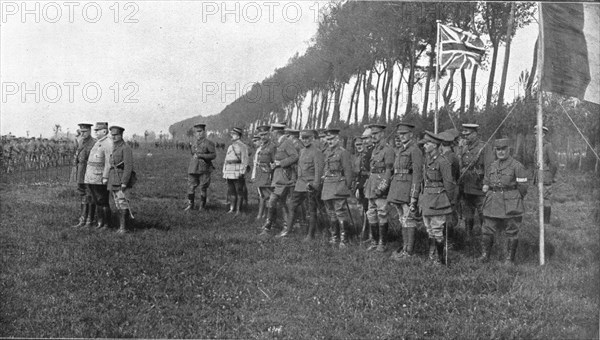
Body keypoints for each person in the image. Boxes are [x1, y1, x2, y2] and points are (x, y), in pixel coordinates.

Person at [480, 138, 528, 265]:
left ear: (509, 150)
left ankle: (509, 259)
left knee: (512, 230)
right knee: (487, 229)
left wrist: (515, 199)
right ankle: (485, 256)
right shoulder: (492, 166)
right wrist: (486, 187)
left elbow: (523, 188)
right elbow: (486, 181)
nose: (500, 152)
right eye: (498, 150)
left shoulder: (517, 166)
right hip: (493, 201)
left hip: (510, 203)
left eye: (503, 149)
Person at [418, 131, 456, 265]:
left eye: (427, 144)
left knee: (437, 230)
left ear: (434, 145)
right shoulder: (427, 160)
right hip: (427, 199)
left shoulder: (443, 161)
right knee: (429, 230)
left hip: (439, 200)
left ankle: (440, 260)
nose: (424, 146)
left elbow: (449, 183)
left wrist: (449, 201)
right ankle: (432, 257)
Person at [388, 122, 423, 260]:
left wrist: (414, 195)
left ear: (411, 135)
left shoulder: (415, 150)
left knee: (409, 220)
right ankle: (404, 248)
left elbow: (417, 175)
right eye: (400, 134)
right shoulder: (400, 150)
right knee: (403, 219)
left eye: (404, 134)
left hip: (408, 189)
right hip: (398, 188)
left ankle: (409, 251)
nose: (401, 136)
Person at [280, 129, 324, 240]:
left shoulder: (317, 152)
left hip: (310, 186)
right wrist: (294, 180)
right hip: (299, 185)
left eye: (307, 138)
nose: (305, 140)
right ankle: (287, 232)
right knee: (292, 206)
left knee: (311, 210)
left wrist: (315, 185)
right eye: (303, 138)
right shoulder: (302, 151)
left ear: (312, 138)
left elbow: (319, 171)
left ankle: (310, 235)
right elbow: (299, 168)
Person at [260, 123, 299, 236]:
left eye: (271, 132)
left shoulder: (286, 143)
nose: (270, 134)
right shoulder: (277, 144)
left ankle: (284, 228)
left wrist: (280, 163)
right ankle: (270, 226)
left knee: (281, 203)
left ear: (276, 132)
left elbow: (295, 156)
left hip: (285, 178)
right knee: (275, 202)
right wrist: (274, 165)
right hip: (277, 177)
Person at [457, 123, 493, 239]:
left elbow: (489, 167)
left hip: (479, 185)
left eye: (468, 134)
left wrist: (487, 183)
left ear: (475, 134)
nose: (466, 137)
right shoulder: (464, 147)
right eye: (464, 134)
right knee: (468, 212)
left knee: (483, 212)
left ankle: (485, 236)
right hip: (466, 185)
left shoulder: (484, 146)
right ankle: (468, 236)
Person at [363, 123, 395, 252]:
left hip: (381, 186)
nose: (373, 137)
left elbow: (389, 172)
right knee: (371, 213)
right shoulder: (374, 150)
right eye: (372, 135)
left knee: (382, 213)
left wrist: (382, 187)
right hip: (372, 185)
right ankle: (375, 241)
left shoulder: (388, 150)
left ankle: (382, 243)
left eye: (375, 134)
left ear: (382, 134)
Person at [321, 128, 354, 247]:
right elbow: (325, 167)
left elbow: (348, 171)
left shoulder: (343, 152)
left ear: (337, 139)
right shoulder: (326, 152)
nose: (329, 141)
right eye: (328, 139)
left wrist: (348, 187)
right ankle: (334, 237)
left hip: (339, 184)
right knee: (331, 212)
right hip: (328, 184)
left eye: (332, 139)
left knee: (340, 211)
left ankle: (344, 239)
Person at [84, 122, 113, 230]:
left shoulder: (108, 143)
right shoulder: (98, 142)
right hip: (92, 177)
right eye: (95, 130)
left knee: (103, 200)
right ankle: (100, 223)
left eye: (98, 130)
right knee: (97, 201)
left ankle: (106, 224)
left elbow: (108, 162)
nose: (95, 132)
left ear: (104, 131)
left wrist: (105, 177)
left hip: (100, 177)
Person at [107, 126, 134, 234]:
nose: (113, 137)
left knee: (123, 202)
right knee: (117, 202)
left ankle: (123, 228)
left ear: (121, 135)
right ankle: (121, 226)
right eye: (112, 135)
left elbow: (128, 167)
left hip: (121, 177)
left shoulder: (125, 148)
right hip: (114, 177)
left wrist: (124, 182)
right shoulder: (114, 147)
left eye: (116, 135)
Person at [185, 123, 216, 211]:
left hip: (204, 168)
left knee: (203, 187)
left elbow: (213, 155)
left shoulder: (209, 143)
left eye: (200, 131)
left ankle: (202, 206)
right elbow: (192, 153)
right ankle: (190, 205)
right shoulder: (193, 143)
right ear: (194, 133)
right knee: (191, 186)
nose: (199, 133)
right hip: (193, 168)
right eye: (197, 132)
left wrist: (202, 156)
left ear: (204, 132)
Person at [71, 123, 96, 228]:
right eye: (81, 131)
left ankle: (90, 220)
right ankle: (82, 219)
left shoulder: (94, 142)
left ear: (90, 131)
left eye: (85, 131)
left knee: (90, 196)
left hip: (89, 171)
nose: (83, 133)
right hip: (80, 172)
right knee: (83, 195)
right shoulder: (80, 141)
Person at [439, 129, 461, 249]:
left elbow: (455, 175)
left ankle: (449, 241)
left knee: (448, 215)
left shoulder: (449, 157)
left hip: (448, 189)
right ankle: (446, 240)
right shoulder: (452, 156)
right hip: (449, 188)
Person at [533, 125, 558, 225]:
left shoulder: (547, 145)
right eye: (534, 133)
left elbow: (554, 163)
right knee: (540, 197)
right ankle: (540, 219)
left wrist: (550, 175)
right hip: (538, 175)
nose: (535, 135)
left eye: (537, 133)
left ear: (543, 134)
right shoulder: (537, 145)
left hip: (545, 175)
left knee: (546, 198)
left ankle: (546, 222)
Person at [251, 126, 276, 220]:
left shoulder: (272, 146)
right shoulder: (261, 146)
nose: (263, 137)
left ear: (269, 134)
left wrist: (270, 170)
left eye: (265, 134)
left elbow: (275, 162)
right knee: (262, 195)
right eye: (261, 135)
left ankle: (269, 218)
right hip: (259, 173)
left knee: (268, 196)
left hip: (267, 175)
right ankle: (262, 215)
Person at [223, 127, 249, 215]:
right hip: (229, 170)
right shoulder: (230, 146)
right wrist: (224, 171)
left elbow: (245, 160)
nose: (232, 136)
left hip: (237, 170)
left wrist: (242, 171)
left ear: (238, 136)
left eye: (233, 134)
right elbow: (226, 159)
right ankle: (232, 208)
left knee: (239, 191)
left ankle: (239, 210)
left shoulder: (243, 146)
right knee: (231, 191)